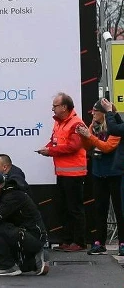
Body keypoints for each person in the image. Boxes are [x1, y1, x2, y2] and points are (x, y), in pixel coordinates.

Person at [39, 92, 86, 251]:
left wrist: (51, 151)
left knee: (75, 209)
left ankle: (79, 242)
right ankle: (66, 240)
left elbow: (74, 147)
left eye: (55, 106)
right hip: (62, 173)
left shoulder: (76, 124)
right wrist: (47, 148)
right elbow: (54, 141)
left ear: (64, 107)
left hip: (74, 174)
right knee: (64, 208)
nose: (52, 108)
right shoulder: (59, 123)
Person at [77, 100, 122, 255]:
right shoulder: (93, 126)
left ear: (103, 112)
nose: (93, 113)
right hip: (98, 172)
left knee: (119, 209)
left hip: (115, 173)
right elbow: (87, 146)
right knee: (99, 208)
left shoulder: (114, 126)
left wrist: (90, 136)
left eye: (95, 111)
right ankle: (99, 242)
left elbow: (108, 147)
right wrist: (83, 135)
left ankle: (122, 243)